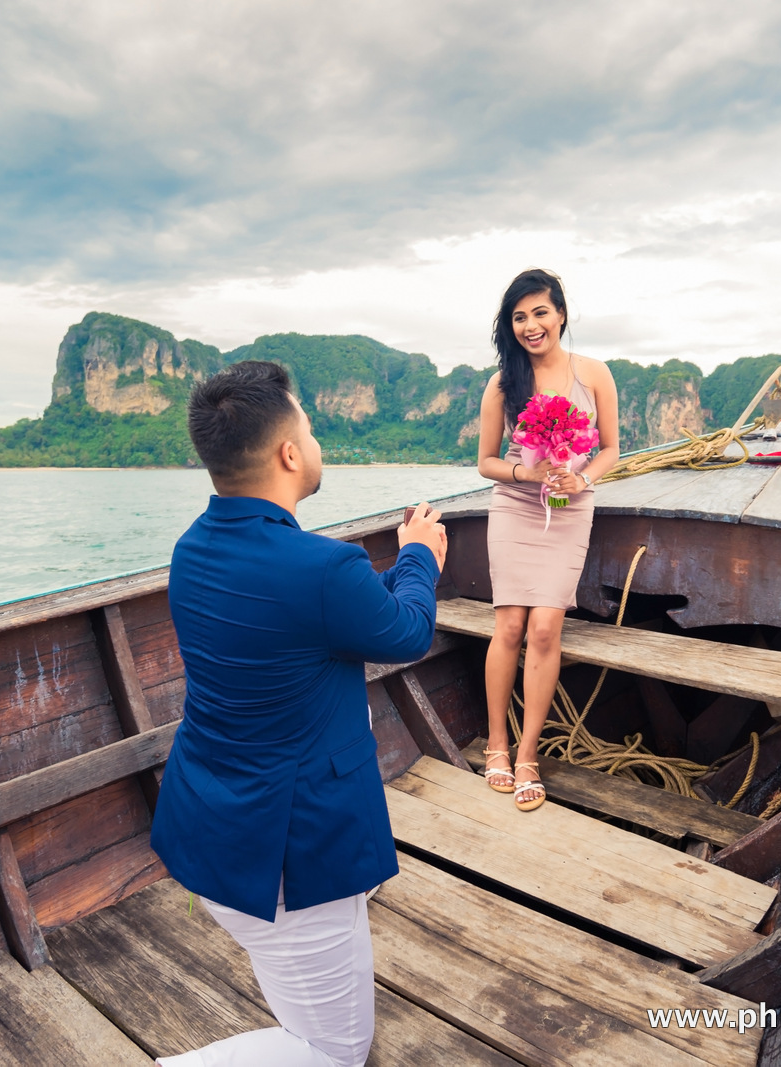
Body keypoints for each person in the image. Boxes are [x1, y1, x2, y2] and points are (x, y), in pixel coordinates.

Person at [150, 360, 448, 1067]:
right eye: (308, 428)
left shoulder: (191, 550)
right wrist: (419, 557)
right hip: (285, 857)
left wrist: (391, 574)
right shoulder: (321, 568)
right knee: (335, 1049)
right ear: (289, 453)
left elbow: (311, 617)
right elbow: (406, 630)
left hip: (211, 824)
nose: (314, 440)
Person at [475, 269, 620, 811]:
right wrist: (527, 476)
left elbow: (610, 448)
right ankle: (496, 743)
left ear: (560, 313)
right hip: (515, 506)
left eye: (539, 313)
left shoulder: (594, 374)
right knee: (509, 624)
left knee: (544, 627)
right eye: (519, 317)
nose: (530, 326)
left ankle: (529, 755)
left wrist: (580, 478)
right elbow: (486, 461)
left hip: (570, 508)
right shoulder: (502, 384)